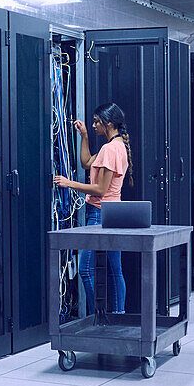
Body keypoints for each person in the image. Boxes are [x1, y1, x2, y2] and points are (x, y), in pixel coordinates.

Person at [52, 102, 132, 317]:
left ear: (108, 123)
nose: (94, 125)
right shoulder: (117, 147)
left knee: (86, 269)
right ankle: (118, 315)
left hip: (99, 214)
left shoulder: (109, 149)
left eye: (96, 122)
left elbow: (100, 189)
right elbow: (87, 162)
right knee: (116, 270)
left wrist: (70, 183)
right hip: (114, 214)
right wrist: (84, 136)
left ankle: (100, 317)